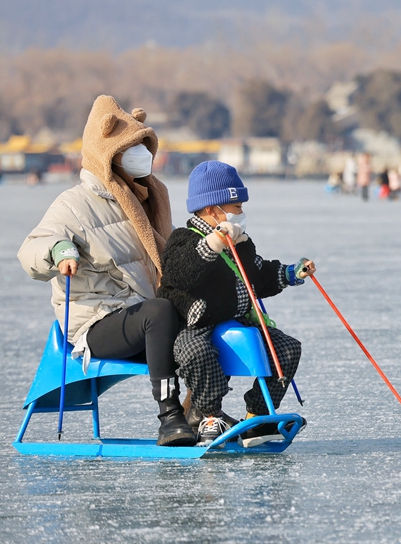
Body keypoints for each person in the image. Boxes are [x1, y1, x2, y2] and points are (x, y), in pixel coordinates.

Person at [18, 95, 195, 447]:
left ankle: (203, 412)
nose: (142, 154)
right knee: (159, 312)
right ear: (107, 153)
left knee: (200, 320)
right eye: (132, 148)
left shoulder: (145, 200)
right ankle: (171, 418)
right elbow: (32, 248)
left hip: (138, 315)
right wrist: (59, 250)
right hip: (96, 322)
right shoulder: (75, 203)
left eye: (145, 145)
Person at [157, 161, 315, 446]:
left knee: (287, 349)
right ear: (211, 209)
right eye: (236, 207)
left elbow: (258, 274)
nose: (241, 214)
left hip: (234, 319)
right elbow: (182, 273)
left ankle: (258, 414)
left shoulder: (241, 242)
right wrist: (214, 243)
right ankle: (207, 414)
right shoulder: (183, 239)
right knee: (195, 352)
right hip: (195, 324)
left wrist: (291, 273)